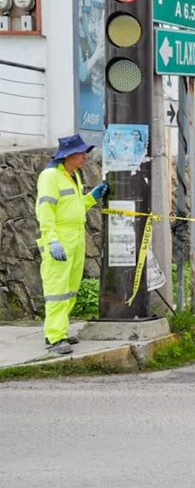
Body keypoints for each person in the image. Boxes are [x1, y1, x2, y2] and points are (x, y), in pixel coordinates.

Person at [36, 135, 108, 355]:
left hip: (75, 237)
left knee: (70, 290)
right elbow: (45, 210)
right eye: (81, 153)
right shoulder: (50, 176)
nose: (85, 157)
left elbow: (74, 207)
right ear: (68, 156)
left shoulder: (72, 175)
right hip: (59, 239)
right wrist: (52, 240)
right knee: (57, 290)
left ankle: (59, 330)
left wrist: (91, 198)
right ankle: (56, 338)